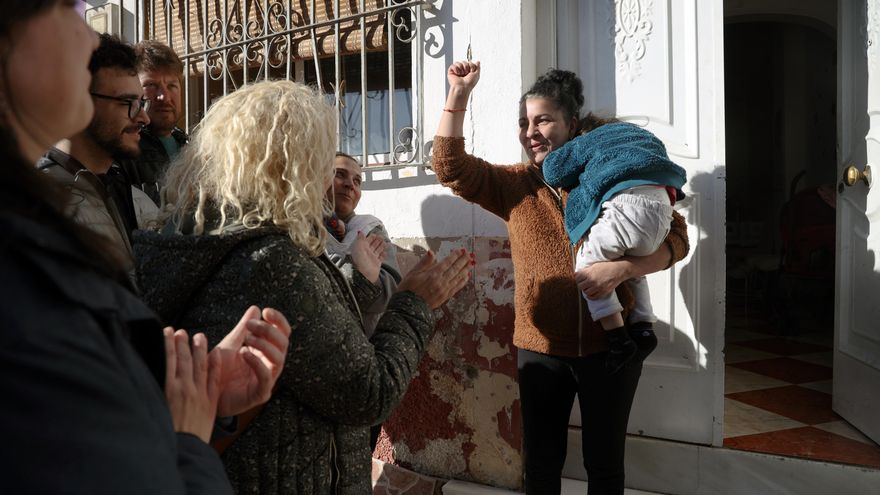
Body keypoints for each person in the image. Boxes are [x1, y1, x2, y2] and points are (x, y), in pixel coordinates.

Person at [0, 3, 290, 493]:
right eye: (66, 7)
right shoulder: (24, 246)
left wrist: (195, 386)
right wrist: (186, 443)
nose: (87, 33)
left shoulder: (71, 206)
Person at [133, 79, 472, 494]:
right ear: (294, 162)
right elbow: (368, 391)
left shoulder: (190, 239)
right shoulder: (273, 263)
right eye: (323, 158)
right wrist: (414, 302)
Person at [433, 62, 689, 495]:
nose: (530, 131)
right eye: (523, 123)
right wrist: (458, 94)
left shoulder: (611, 171)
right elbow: (449, 166)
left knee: (605, 466)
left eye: (543, 120)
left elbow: (677, 236)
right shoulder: (515, 186)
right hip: (540, 348)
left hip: (612, 347)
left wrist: (624, 270)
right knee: (542, 464)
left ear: (571, 123)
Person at [542, 121, 687, 374]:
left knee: (588, 267)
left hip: (627, 202)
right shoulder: (642, 140)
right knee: (632, 267)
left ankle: (618, 340)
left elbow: (555, 172)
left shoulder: (589, 141)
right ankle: (643, 328)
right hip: (662, 209)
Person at [38, 33, 155, 275]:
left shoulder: (126, 190)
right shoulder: (37, 201)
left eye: (141, 103)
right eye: (127, 103)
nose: (143, 118)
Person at [325, 152, 402, 337]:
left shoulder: (369, 228)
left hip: (359, 342)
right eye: (340, 174)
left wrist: (370, 279)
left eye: (357, 181)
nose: (350, 184)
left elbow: (388, 294)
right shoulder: (299, 221)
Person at [121, 39, 187, 204]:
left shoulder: (190, 147)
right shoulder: (124, 151)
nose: (164, 97)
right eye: (151, 85)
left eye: (172, 86)